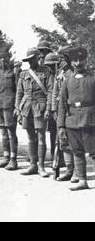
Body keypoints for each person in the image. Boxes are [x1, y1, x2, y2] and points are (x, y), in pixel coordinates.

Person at [58, 47, 95, 191]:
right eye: (75, 60)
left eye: (81, 60)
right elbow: (61, 103)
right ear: (71, 62)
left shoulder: (92, 78)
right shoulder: (67, 80)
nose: (78, 63)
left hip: (90, 120)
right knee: (77, 151)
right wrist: (61, 126)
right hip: (72, 121)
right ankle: (82, 180)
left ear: (86, 60)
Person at [16, 48, 54, 177]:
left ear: (38, 58)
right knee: (31, 137)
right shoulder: (23, 74)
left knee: (41, 136)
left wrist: (49, 108)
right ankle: (33, 164)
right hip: (27, 107)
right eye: (29, 60)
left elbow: (50, 91)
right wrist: (18, 109)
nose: (31, 62)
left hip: (41, 107)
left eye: (33, 59)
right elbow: (19, 93)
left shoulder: (47, 72)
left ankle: (41, 166)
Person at [0, 50, 18, 170]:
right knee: (3, 132)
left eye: (4, 58)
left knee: (11, 133)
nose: (2, 60)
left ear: (8, 58)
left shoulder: (14, 71)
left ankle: (13, 159)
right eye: (0, 58)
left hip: (9, 106)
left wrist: (17, 107)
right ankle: (6, 157)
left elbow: (18, 91)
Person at [52, 46, 76, 182]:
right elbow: (55, 92)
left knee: (73, 140)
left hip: (71, 110)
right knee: (63, 141)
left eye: (61, 59)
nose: (59, 61)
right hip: (61, 110)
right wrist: (54, 109)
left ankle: (77, 171)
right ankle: (68, 169)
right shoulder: (59, 73)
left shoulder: (73, 73)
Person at [44, 52, 60, 160]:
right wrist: (50, 108)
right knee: (53, 132)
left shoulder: (61, 74)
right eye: (48, 66)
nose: (50, 68)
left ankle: (62, 158)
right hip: (53, 108)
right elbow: (50, 93)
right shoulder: (50, 76)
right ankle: (54, 156)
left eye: (51, 65)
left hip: (61, 108)